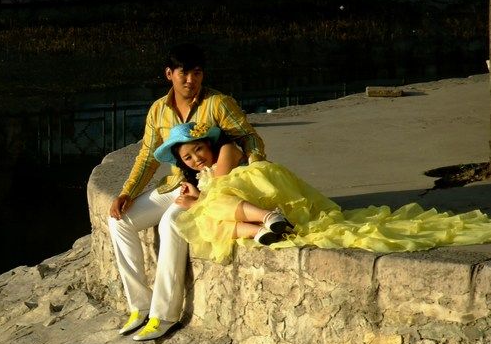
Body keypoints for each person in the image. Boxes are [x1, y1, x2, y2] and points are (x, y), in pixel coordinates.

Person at [155, 121, 491, 263]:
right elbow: (212, 198)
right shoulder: (202, 174)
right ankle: (260, 230)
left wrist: (197, 198)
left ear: (208, 143)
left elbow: (221, 189)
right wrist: (196, 196)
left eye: (198, 150)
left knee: (210, 206)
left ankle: (268, 217)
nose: (197, 159)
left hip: (265, 192)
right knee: (207, 220)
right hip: (241, 205)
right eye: (189, 158)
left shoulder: (226, 151)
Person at [108, 43, 266, 341]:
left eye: (197, 73)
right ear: (169, 74)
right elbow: (147, 156)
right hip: (178, 183)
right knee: (119, 220)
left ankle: (163, 315)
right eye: (184, 73)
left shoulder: (218, 103)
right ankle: (140, 306)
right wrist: (126, 192)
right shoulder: (158, 110)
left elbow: (249, 138)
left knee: (171, 222)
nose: (191, 80)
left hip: (210, 188)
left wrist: (255, 170)